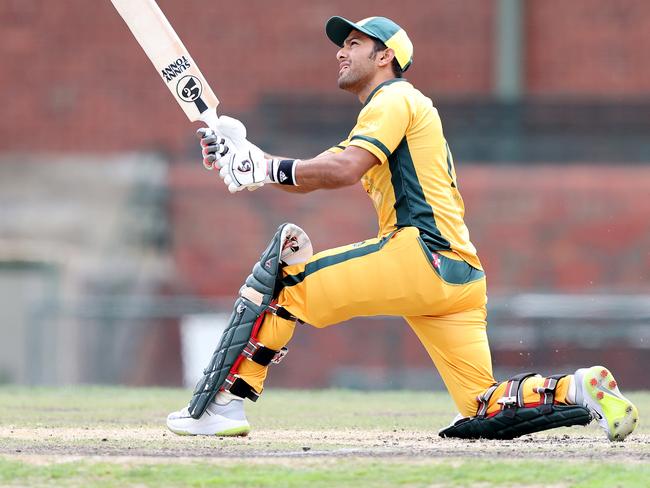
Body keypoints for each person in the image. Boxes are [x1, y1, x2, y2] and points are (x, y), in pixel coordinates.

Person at [167, 16, 639, 441]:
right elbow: (319, 171)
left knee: (289, 287)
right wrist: (247, 157)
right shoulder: (391, 111)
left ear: (385, 55)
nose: (341, 51)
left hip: (421, 255)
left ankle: (223, 408)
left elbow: (344, 170)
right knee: (483, 402)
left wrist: (267, 168)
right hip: (460, 277)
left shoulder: (394, 98)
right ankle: (582, 386)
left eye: (353, 43)